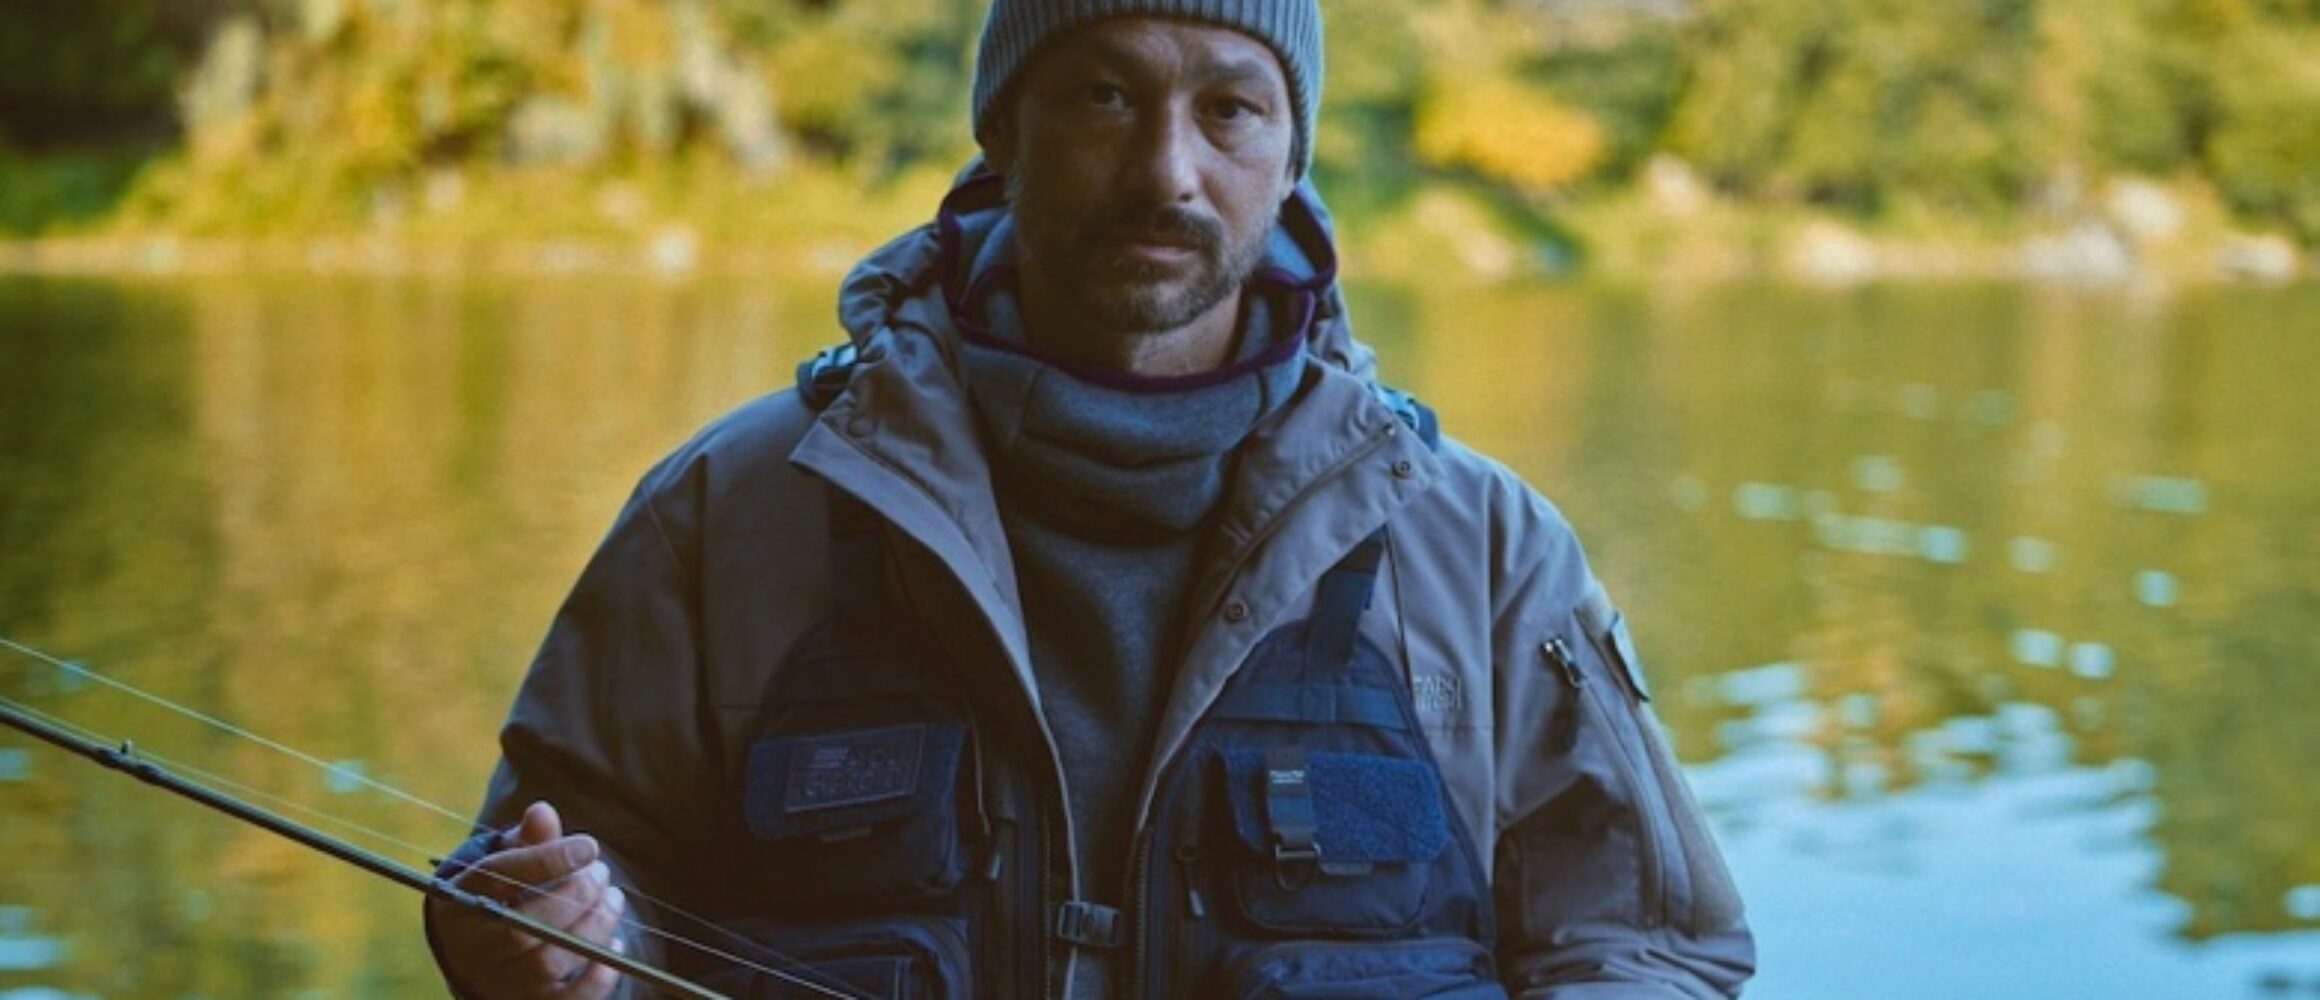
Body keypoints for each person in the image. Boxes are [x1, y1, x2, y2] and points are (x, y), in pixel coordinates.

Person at [423, 1, 1756, 997]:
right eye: (1106, 96)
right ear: (1003, 130)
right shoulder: (729, 512)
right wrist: (551, 949)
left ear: (1291, 153)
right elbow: (564, 887)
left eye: (1230, 109)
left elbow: (1646, 948)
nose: (1167, 170)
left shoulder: (1488, 548)